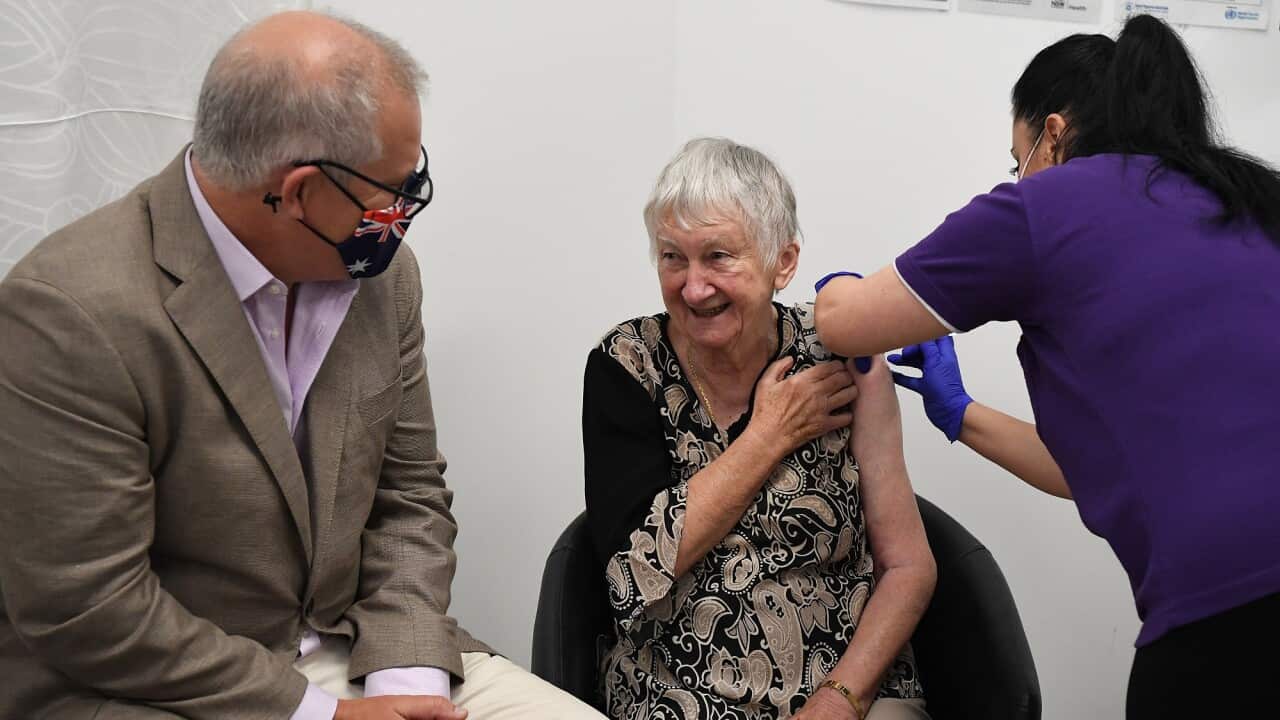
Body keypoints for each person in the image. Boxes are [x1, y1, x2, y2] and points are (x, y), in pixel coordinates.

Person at [0, 11, 602, 720]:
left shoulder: (385, 279)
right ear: (299, 191)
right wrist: (324, 716)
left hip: (358, 645)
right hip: (158, 685)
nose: (403, 213)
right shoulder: (70, 312)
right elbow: (89, 609)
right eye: (392, 189)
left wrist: (406, 680)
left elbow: (408, 497)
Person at [812, 15, 1280, 719]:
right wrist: (960, 412)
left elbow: (846, 322)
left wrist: (832, 292)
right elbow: (1092, 473)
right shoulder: (1242, 198)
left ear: (1054, 135)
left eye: (1016, 156)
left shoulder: (1050, 203)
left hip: (1230, 624)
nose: (1016, 175)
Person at [583, 138, 935, 720]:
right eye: (673, 257)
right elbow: (632, 571)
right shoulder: (628, 366)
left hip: (849, 687)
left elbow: (908, 566)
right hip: (676, 693)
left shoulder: (843, 356)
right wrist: (768, 435)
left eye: (719, 256)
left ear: (784, 261)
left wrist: (842, 699)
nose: (694, 287)